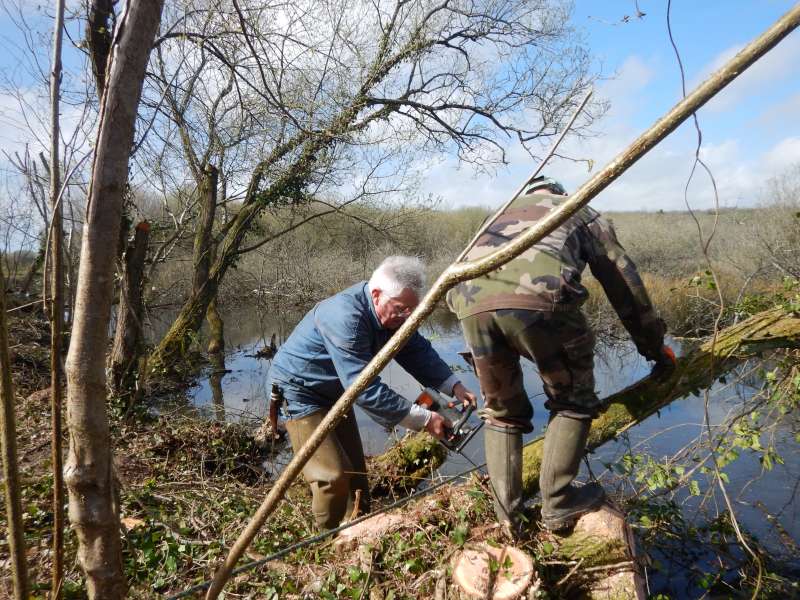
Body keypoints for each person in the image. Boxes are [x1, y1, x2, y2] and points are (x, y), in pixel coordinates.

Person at [446, 176, 676, 533]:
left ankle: (508, 518)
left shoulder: (497, 215)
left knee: (502, 412)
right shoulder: (577, 208)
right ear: (558, 192)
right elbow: (623, 282)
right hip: (541, 302)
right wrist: (653, 348)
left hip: (469, 305)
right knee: (572, 400)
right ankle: (557, 503)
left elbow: (458, 271)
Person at [269, 256, 478, 530]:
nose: (406, 317)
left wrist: (454, 385)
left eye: (411, 311)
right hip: (300, 392)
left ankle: (359, 531)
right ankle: (326, 543)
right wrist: (426, 420)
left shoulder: (391, 313)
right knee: (331, 477)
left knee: (356, 474)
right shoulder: (346, 318)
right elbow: (365, 388)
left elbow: (417, 350)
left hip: (337, 392)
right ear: (377, 294)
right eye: (401, 309)